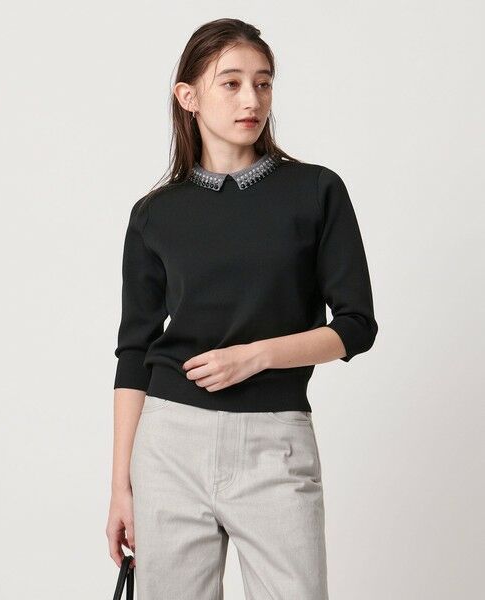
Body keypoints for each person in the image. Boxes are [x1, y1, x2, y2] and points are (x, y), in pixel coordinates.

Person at [106, 17, 378, 600]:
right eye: (230, 83)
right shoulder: (155, 214)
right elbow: (133, 353)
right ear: (188, 96)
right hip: (169, 444)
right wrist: (120, 487)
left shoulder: (316, 191)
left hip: (274, 444)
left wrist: (256, 357)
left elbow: (356, 326)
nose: (251, 99)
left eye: (263, 82)